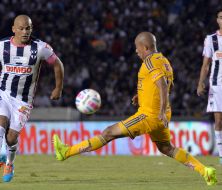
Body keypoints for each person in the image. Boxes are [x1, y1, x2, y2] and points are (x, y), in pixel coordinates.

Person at [53, 32, 217, 186]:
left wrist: (159, 112)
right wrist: (142, 95)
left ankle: (66, 152)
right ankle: (205, 171)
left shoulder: (150, 62)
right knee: (167, 148)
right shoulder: (164, 61)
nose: (136, 51)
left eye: (137, 47)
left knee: (108, 132)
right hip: (160, 113)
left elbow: (162, 85)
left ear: (145, 47)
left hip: (150, 115)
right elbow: (166, 86)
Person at [0, 15, 64, 182]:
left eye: (28, 28)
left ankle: (9, 163)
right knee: (0, 121)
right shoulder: (2, 46)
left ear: (32, 29)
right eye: (21, 28)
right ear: (13, 29)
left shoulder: (40, 47)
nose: (25, 32)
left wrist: (58, 88)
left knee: (11, 137)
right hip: (2, 92)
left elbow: (57, 63)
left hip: (23, 100)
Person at [197, 8, 222, 165]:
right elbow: (206, 64)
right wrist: (200, 82)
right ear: (217, 20)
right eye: (221, 17)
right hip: (217, 85)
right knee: (219, 121)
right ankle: (221, 154)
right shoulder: (211, 39)